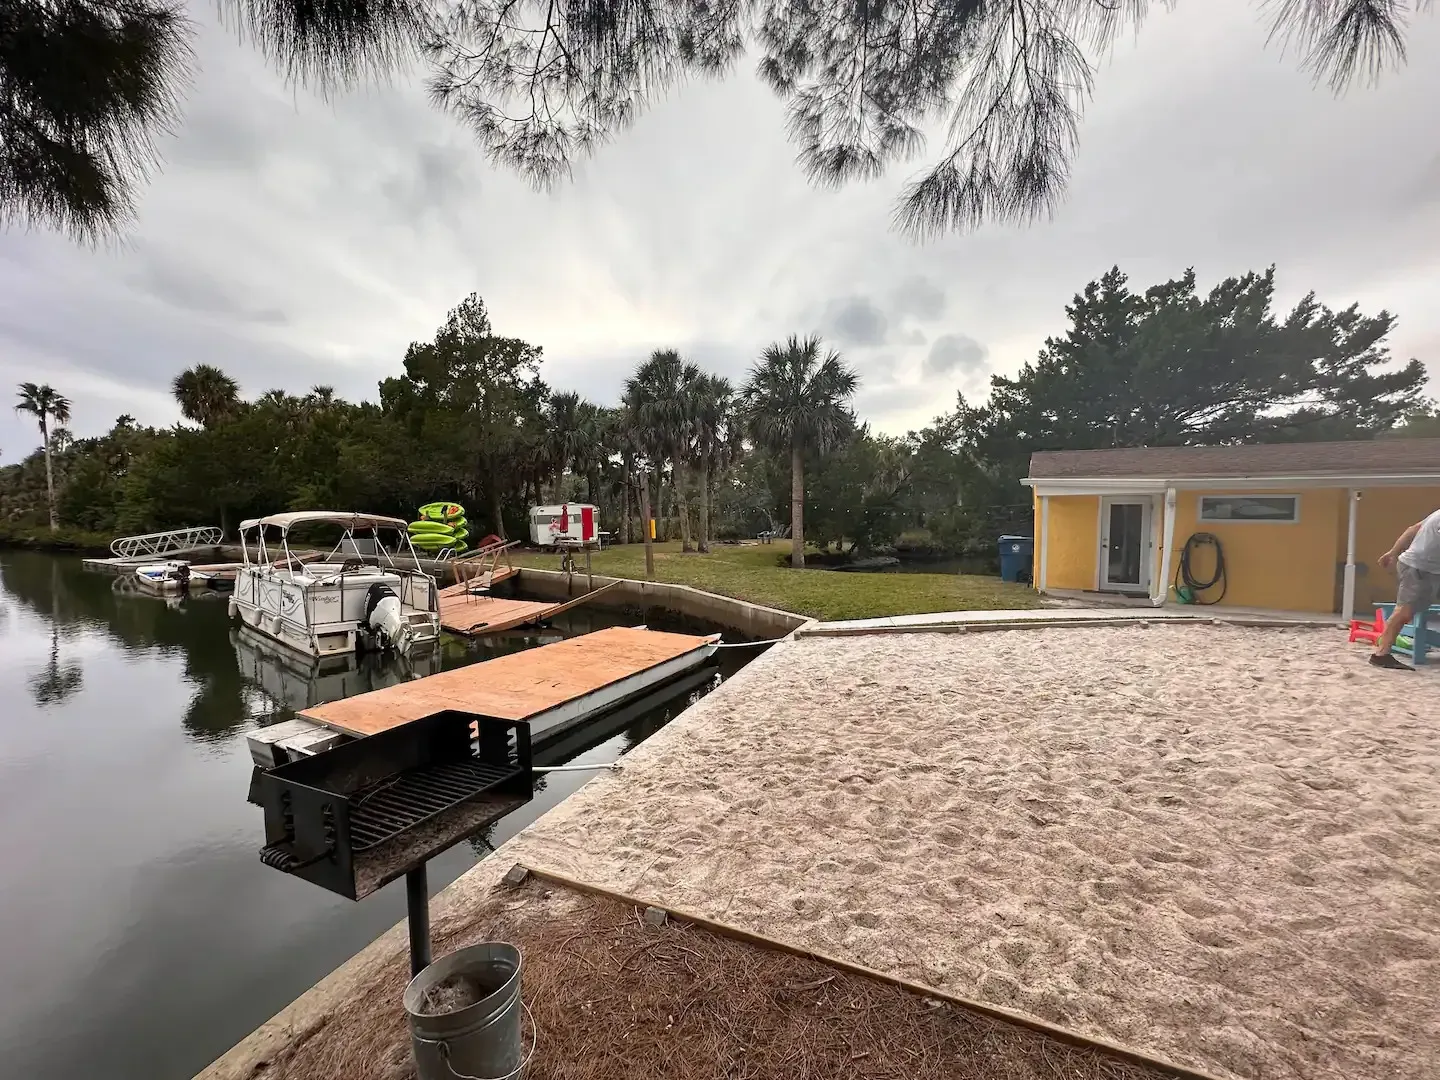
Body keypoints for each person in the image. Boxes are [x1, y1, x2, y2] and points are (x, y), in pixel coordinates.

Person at [1370, 507, 1440, 670]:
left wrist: (1392, 552)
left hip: (1424, 569)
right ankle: (1381, 654)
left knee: (1407, 610)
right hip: (1418, 568)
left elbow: (1413, 529)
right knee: (1404, 612)